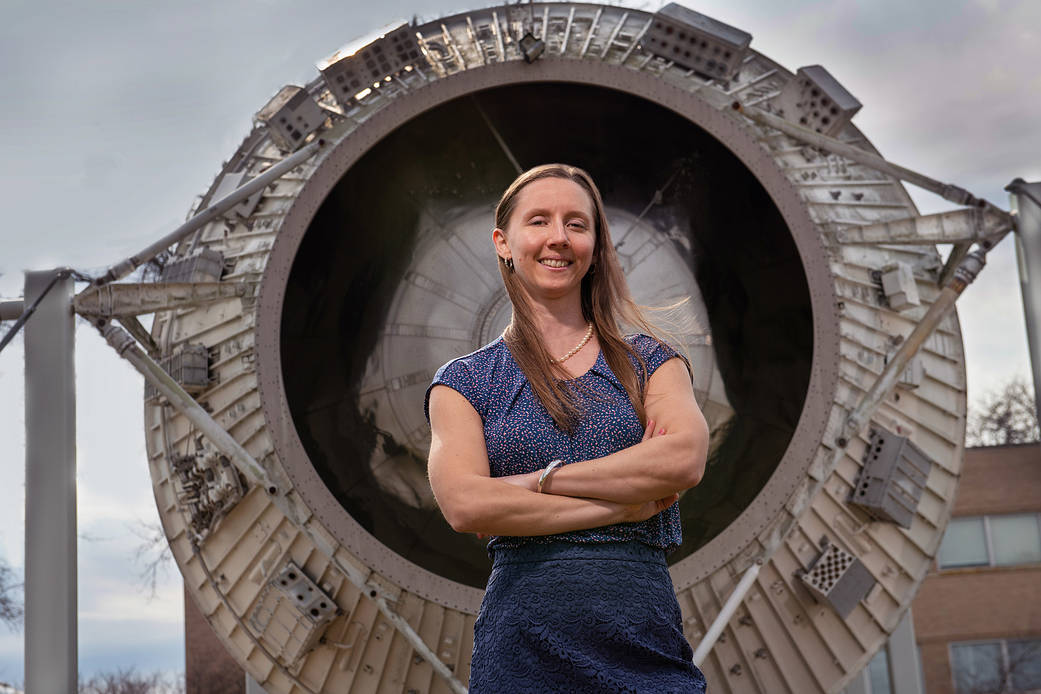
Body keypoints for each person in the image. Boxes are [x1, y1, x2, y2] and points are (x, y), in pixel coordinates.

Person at [424, 163, 710, 693]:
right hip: (522, 655)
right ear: (503, 242)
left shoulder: (651, 363)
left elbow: (682, 460)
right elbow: (465, 505)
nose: (558, 237)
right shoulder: (463, 383)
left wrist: (535, 481)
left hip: (644, 647)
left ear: (596, 245)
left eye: (577, 224)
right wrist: (623, 504)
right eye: (539, 221)